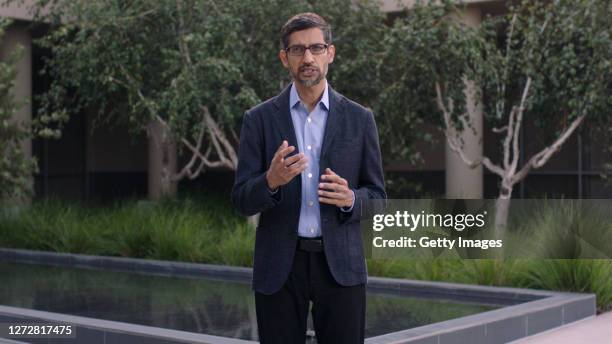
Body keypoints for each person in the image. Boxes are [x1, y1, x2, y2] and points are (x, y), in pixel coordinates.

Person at [231, 12, 386, 344]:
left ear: (330, 53)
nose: (308, 58)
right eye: (298, 50)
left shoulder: (360, 119)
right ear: (284, 58)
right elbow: (242, 200)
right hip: (279, 268)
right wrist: (270, 181)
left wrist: (352, 200)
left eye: (316, 48)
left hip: (341, 267)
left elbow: (378, 199)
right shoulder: (258, 120)